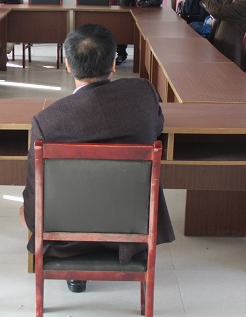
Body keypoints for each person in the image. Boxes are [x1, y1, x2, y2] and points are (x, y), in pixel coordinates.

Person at [21, 24, 175, 294]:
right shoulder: (142, 93)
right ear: (114, 63)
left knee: (29, 208)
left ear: (68, 65)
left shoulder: (47, 122)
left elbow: (36, 199)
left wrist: (31, 221)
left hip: (70, 240)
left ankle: (77, 269)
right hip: (134, 232)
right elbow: (157, 127)